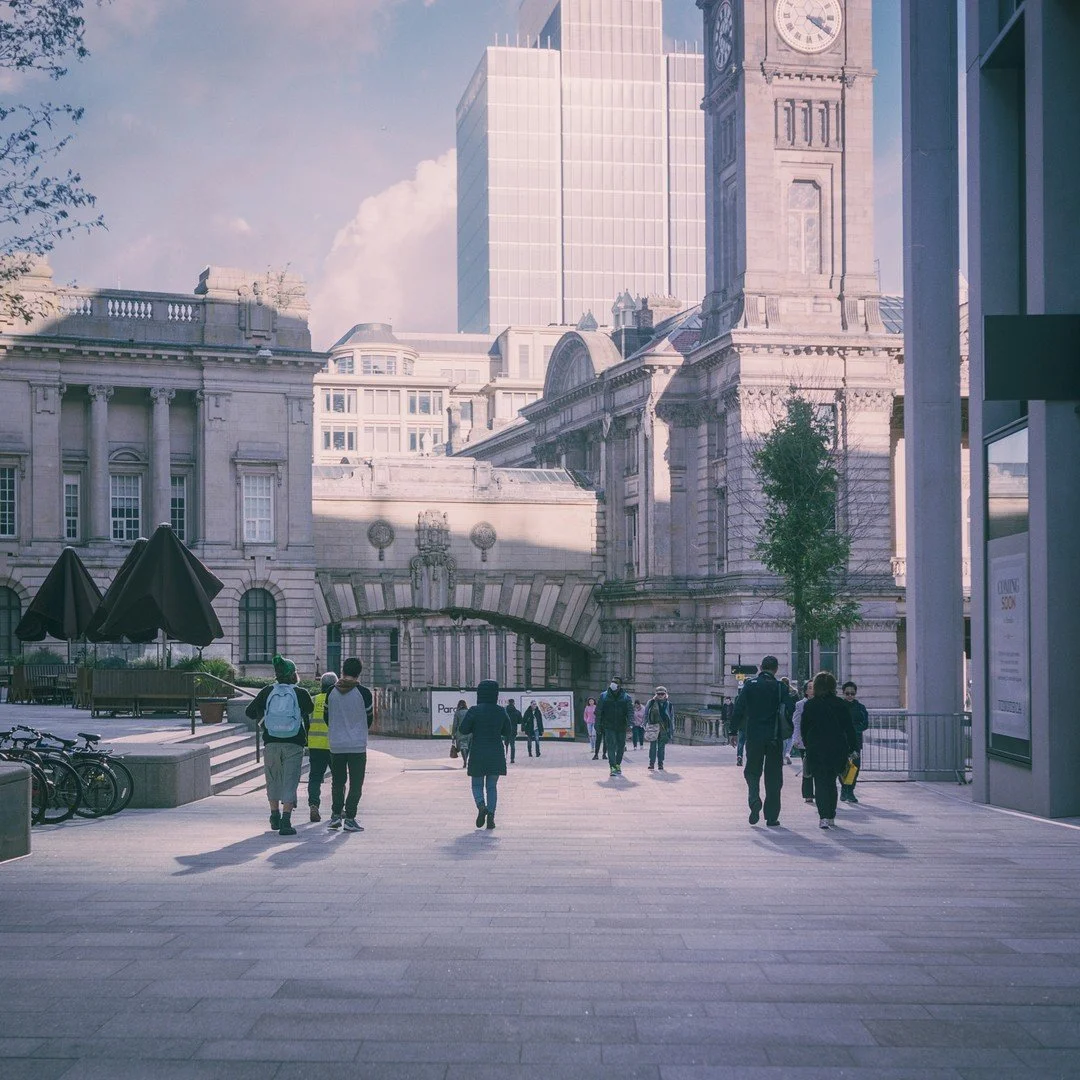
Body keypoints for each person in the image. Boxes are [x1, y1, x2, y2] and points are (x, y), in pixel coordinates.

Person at [245, 654, 313, 837]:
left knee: (273, 778)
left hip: (271, 741)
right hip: (294, 743)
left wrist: (265, 721)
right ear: (293, 676)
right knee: (290, 781)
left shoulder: (267, 691)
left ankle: (274, 815)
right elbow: (309, 710)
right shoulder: (301, 693)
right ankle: (286, 821)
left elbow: (249, 711)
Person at [731, 655, 794, 827]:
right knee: (774, 777)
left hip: (754, 736)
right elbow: (790, 709)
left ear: (760, 667)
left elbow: (738, 708)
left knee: (752, 771)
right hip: (774, 738)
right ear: (775, 669)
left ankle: (754, 799)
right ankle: (772, 816)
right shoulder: (781, 687)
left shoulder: (750, 685)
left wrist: (733, 731)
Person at [800, 671, 859, 829]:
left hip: (816, 748)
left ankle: (823, 817)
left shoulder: (811, 705)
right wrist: (853, 747)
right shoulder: (840, 704)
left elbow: (804, 727)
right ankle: (831, 815)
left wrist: (807, 744)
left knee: (819, 782)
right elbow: (849, 728)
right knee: (832, 782)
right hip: (837, 748)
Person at [325, 656, 373, 832]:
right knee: (356, 783)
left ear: (343, 670)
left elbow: (326, 717)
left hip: (336, 744)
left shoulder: (331, 691)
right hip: (357, 745)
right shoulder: (364, 693)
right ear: (359, 672)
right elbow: (369, 718)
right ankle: (350, 817)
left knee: (337, 782)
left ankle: (336, 815)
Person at [459, 678, 512, 829]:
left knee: (476, 784)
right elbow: (508, 731)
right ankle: (491, 817)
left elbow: (463, 730)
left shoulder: (474, 710)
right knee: (492, 787)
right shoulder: (500, 711)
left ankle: (481, 806)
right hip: (495, 752)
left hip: (478, 752)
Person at [306, 671, 337, 822]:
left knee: (315, 777)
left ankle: (313, 806)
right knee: (338, 778)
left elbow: (306, 722)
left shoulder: (313, 700)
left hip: (315, 745)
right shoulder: (337, 700)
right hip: (334, 746)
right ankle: (338, 809)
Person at [596, 675, 633, 777]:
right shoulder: (603, 696)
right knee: (610, 746)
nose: (613, 683)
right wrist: (597, 724)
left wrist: (630, 724)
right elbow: (598, 711)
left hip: (621, 726)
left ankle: (617, 764)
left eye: (616, 682)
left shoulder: (626, 697)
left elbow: (630, 712)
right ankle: (612, 766)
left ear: (620, 685)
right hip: (608, 726)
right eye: (612, 681)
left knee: (621, 747)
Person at [840, 681, 870, 804]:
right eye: (847, 693)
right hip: (841, 742)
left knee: (854, 767)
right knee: (842, 766)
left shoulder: (860, 707)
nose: (850, 696)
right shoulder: (840, 706)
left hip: (855, 742)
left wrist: (853, 730)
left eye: (852, 693)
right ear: (843, 693)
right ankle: (844, 789)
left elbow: (865, 724)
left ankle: (850, 790)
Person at [791, 679, 815, 805]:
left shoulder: (820, 703)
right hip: (804, 741)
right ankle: (808, 794)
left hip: (818, 741)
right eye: (810, 687)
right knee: (807, 767)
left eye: (814, 687)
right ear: (806, 691)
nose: (813, 690)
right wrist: (796, 738)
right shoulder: (800, 704)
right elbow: (796, 722)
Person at [644, 686, 675, 771]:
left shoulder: (669, 704)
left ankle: (660, 764)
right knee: (653, 746)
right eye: (659, 694)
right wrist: (644, 725)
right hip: (653, 727)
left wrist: (672, 729)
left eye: (662, 694)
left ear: (665, 694)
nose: (660, 695)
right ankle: (651, 763)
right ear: (656, 694)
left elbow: (671, 718)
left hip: (664, 728)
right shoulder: (651, 702)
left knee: (661, 747)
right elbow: (646, 715)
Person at [451, 699, 470, 769]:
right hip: (469, 732)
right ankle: (466, 759)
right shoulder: (469, 712)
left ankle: (464, 760)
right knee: (468, 746)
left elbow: (455, 724)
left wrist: (453, 734)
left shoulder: (457, 713)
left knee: (462, 746)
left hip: (460, 732)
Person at [780, 677, 795, 763]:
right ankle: (787, 753)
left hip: (782, 716)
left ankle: (782, 757)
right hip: (791, 716)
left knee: (783, 738)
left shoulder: (780, 691)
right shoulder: (793, 693)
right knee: (791, 736)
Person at [504, 697, 522, 763]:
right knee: (512, 745)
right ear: (514, 703)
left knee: (506, 744)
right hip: (513, 730)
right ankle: (512, 759)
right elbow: (520, 721)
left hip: (505, 730)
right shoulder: (517, 712)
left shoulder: (504, 711)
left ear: (508, 703)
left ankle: (505, 757)